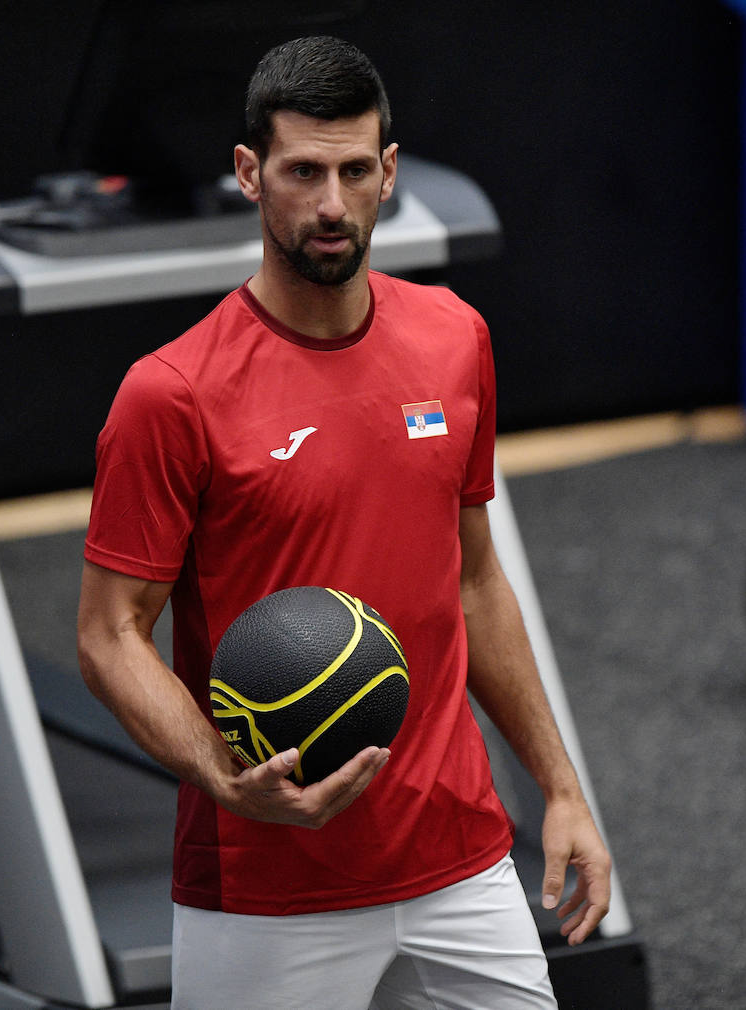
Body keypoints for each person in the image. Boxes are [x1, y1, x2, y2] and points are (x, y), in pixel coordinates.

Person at [77, 35, 611, 1008]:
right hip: (266, 883)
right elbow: (109, 633)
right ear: (249, 174)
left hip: (459, 855)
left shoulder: (456, 338)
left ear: (389, 173)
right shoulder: (173, 393)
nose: (331, 203)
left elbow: (474, 579)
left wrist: (561, 786)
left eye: (355, 170)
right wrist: (224, 776)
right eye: (303, 172)